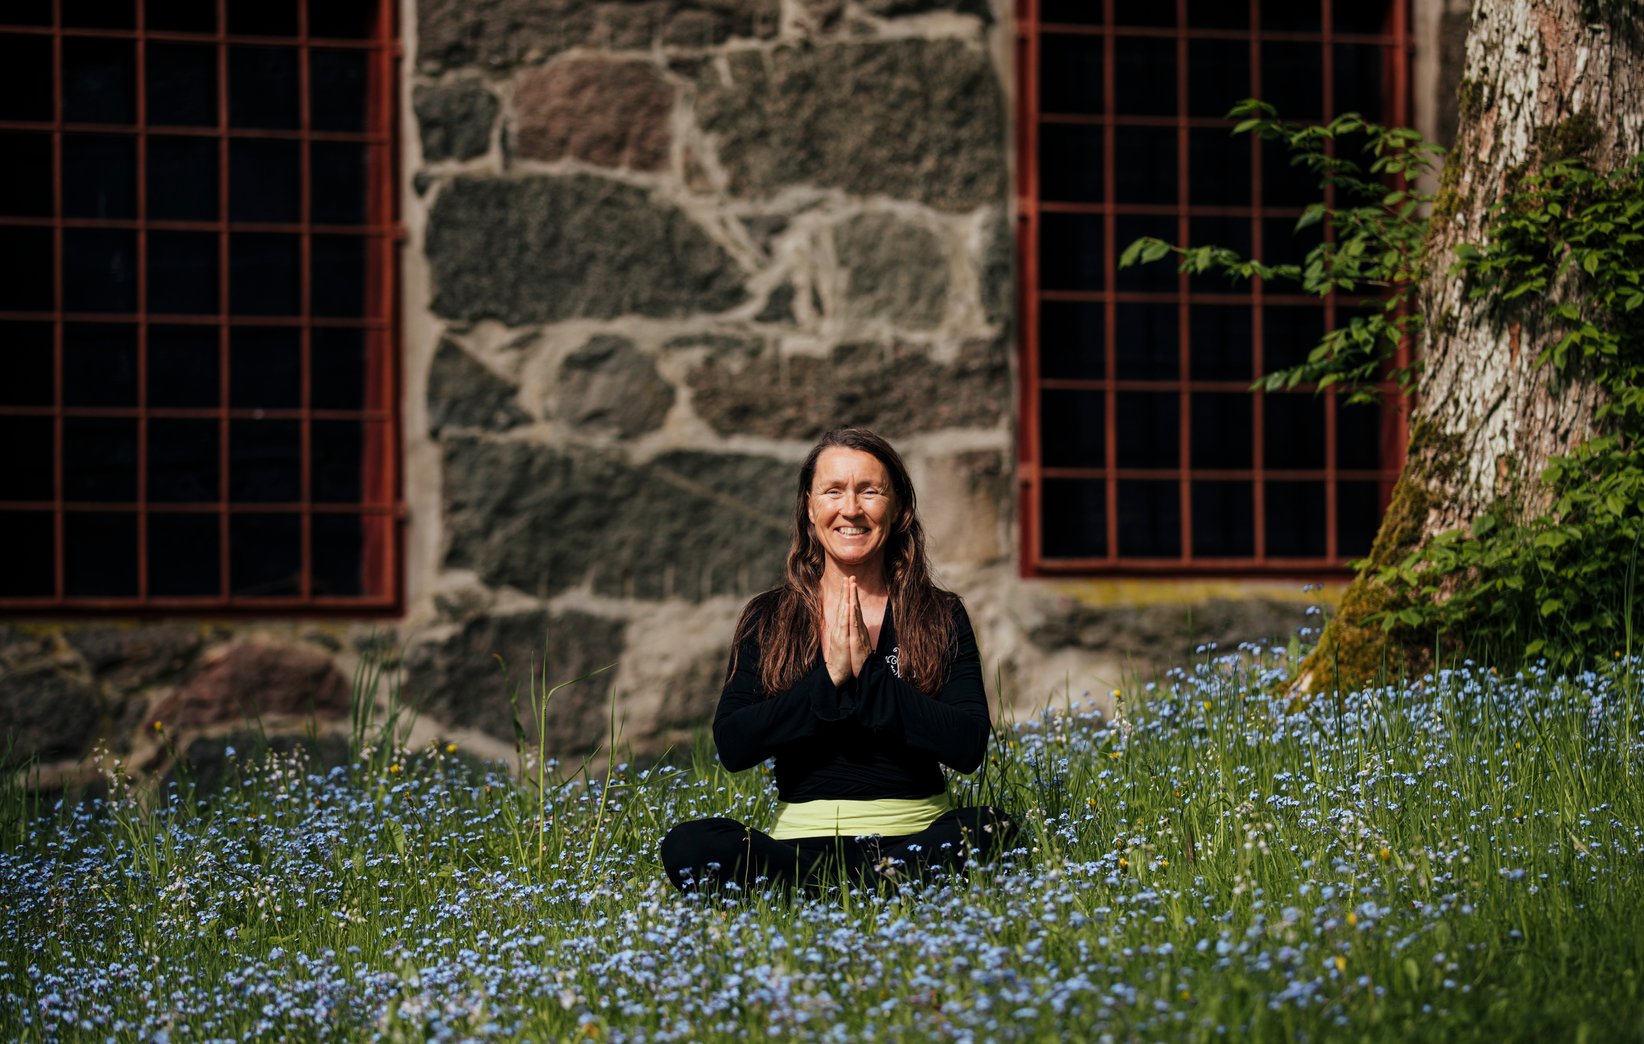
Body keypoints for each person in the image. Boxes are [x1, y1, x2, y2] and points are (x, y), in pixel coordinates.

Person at [660, 427, 1017, 894]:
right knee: (689, 845)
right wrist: (826, 682)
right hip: (799, 846)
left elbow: (968, 746)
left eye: (870, 491)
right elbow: (733, 744)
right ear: (810, 508)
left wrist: (871, 678)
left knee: (994, 829)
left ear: (899, 509)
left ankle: (825, 889)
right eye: (834, 491)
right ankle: (867, 885)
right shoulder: (768, 617)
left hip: (915, 838)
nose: (851, 509)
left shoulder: (939, 613)